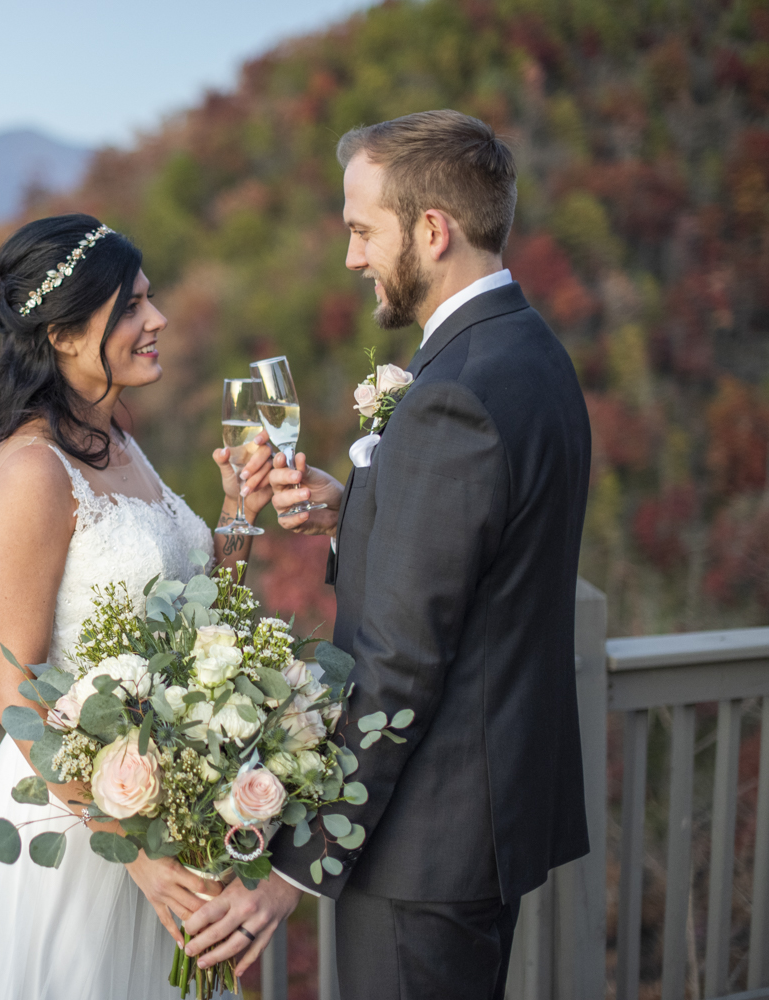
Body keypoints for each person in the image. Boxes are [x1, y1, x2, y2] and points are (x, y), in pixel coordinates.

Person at [182, 110, 593, 1000]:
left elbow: (401, 660)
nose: (352, 256)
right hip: (482, 821)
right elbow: (482, 562)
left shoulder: (455, 396)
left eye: (363, 229)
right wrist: (360, 510)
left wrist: (293, 869)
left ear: (432, 229)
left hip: (423, 848)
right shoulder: (530, 353)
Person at [0, 214, 275, 998]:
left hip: (168, 812)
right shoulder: (32, 470)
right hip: (77, 837)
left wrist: (238, 512)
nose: (158, 320)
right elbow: (15, 693)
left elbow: (200, 625)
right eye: (132, 307)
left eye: (150, 299)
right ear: (67, 334)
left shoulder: (119, 444)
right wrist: (128, 849)